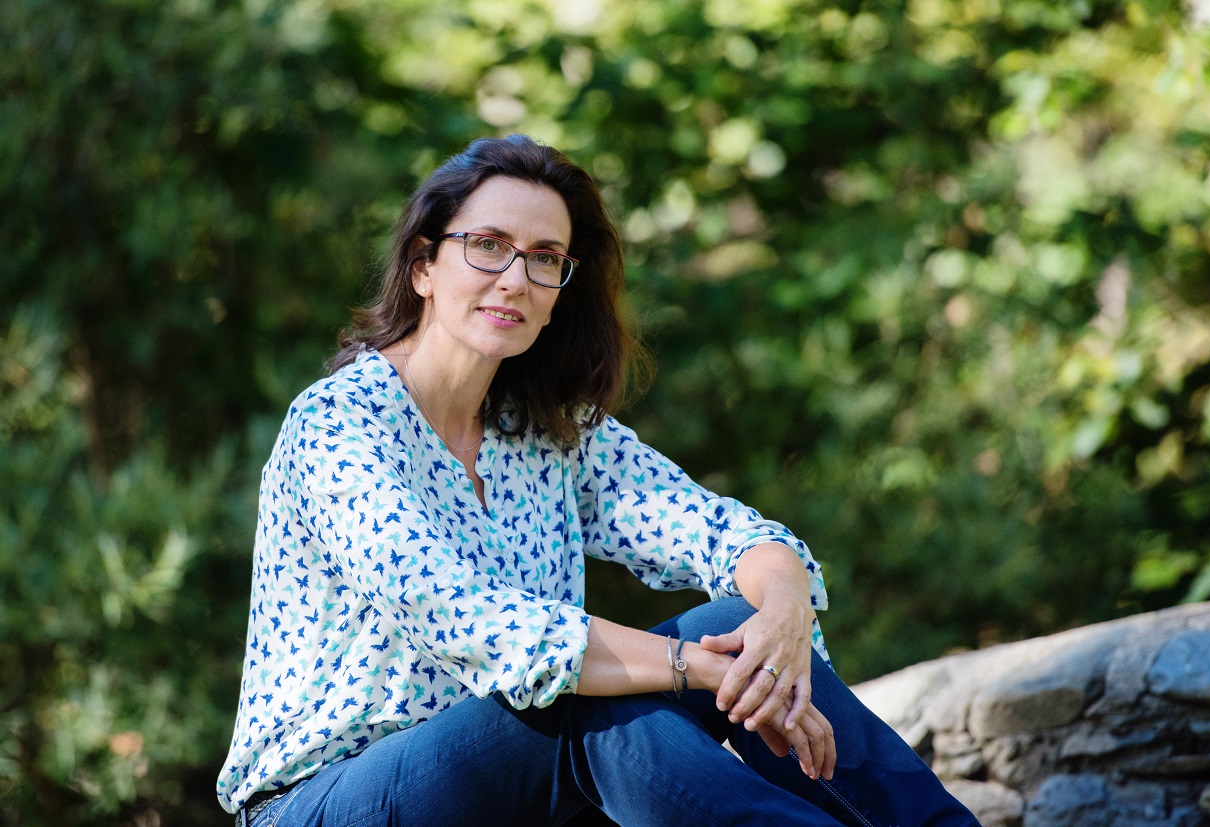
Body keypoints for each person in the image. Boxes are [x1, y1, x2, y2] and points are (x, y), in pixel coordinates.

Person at [217, 134, 979, 826]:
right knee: (580, 700)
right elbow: (467, 619)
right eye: (487, 246)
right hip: (322, 799)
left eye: (544, 257)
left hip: (513, 775)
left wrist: (780, 615)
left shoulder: (548, 429)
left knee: (728, 622)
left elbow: (719, 531)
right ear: (423, 265)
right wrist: (685, 670)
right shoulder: (341, 422)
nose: (515, 278)